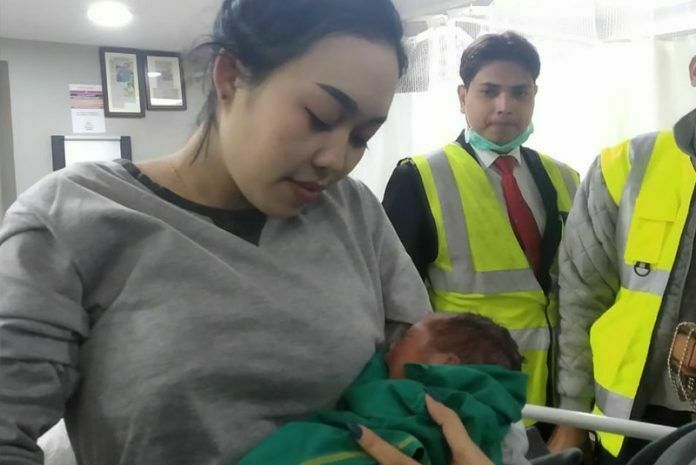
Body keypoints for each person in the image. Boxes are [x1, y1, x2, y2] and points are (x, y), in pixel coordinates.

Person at [0, 1, 496, 464]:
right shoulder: (72, 217)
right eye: (320, 117)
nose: (336, 159)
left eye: (361, 137)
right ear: (230, 77)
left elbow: (432, 381)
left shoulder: (353, 214)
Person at [382, 31, 579, 411]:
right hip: (466, 395)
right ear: (463, 97)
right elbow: (395, 302)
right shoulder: (420, 177)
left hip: (554, 393)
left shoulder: (566, 179)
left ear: (534, 96)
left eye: (519, 93)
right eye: (489, 91)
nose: (505, 106)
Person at [550, 54, 696, 464]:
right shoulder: (627, 165)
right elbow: (581, 297)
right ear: (694, 70)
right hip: (631, 420)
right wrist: (572, 416)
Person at [231, 313, 531, 465]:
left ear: (446, 364)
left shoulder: (420, 403)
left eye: (407, 337)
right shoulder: (501, 431)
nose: (392, 345)